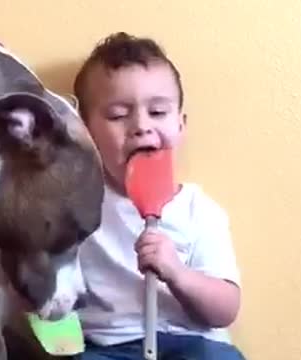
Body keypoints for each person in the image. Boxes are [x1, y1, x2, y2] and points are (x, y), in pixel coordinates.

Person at [72, 32, 245, 359]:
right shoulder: (77, 207)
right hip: (107, 347)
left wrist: (177, 273)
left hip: (192, 344)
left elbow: (225, 310)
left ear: (181, 125)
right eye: (118, 115)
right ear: (86, 133)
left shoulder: (199, 211)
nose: (140, 126)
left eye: (158, 112)